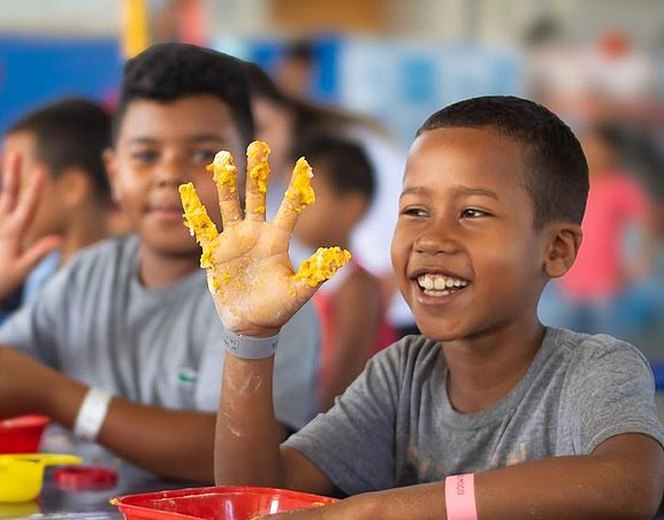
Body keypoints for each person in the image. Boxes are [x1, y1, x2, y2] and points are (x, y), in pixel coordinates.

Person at [188, 96, 664, 518]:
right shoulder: (401, 376)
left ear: (556, 250)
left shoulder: (596, 369)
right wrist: (249, 335)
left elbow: (629, 484)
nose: (432, 238)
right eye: (414, 211)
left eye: (473, 212)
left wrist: (377, 510)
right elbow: (255, 496)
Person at [0, 43, 320, 483]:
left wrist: (55, 395)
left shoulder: (272, 298)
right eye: (146, 155)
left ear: (250, 170)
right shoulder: (86, 275)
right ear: (114, 173)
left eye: (204, 155)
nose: (169, 174)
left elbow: (231, 453)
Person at [0, 97, 123, 349]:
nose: (4, 202)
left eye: (15, 183)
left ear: (73, 188)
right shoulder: (44, 269)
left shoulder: (107, 287)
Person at [247, 63, 417, 339]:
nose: (252, 147)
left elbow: (381, 281)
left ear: (286, 115)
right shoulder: (265, 180)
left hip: (393, 332)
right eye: (239, 134)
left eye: (259, 128)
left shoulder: (353, 156)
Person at [290, 135, 390, 411]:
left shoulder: (356, 288)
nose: (293, 206)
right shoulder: (309, 280)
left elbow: (340, 389)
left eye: (307, 195)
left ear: (352, 208)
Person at [550, 122, 655, 339]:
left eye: (597, 147)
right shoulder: (571, 185)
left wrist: (638, 264)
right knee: (564, 347)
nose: (591, 152)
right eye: (586, 146)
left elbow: (645, 224)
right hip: (570, 281)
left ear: (612, 152)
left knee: (608, 346)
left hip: (606, 285)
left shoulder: (621, 187)